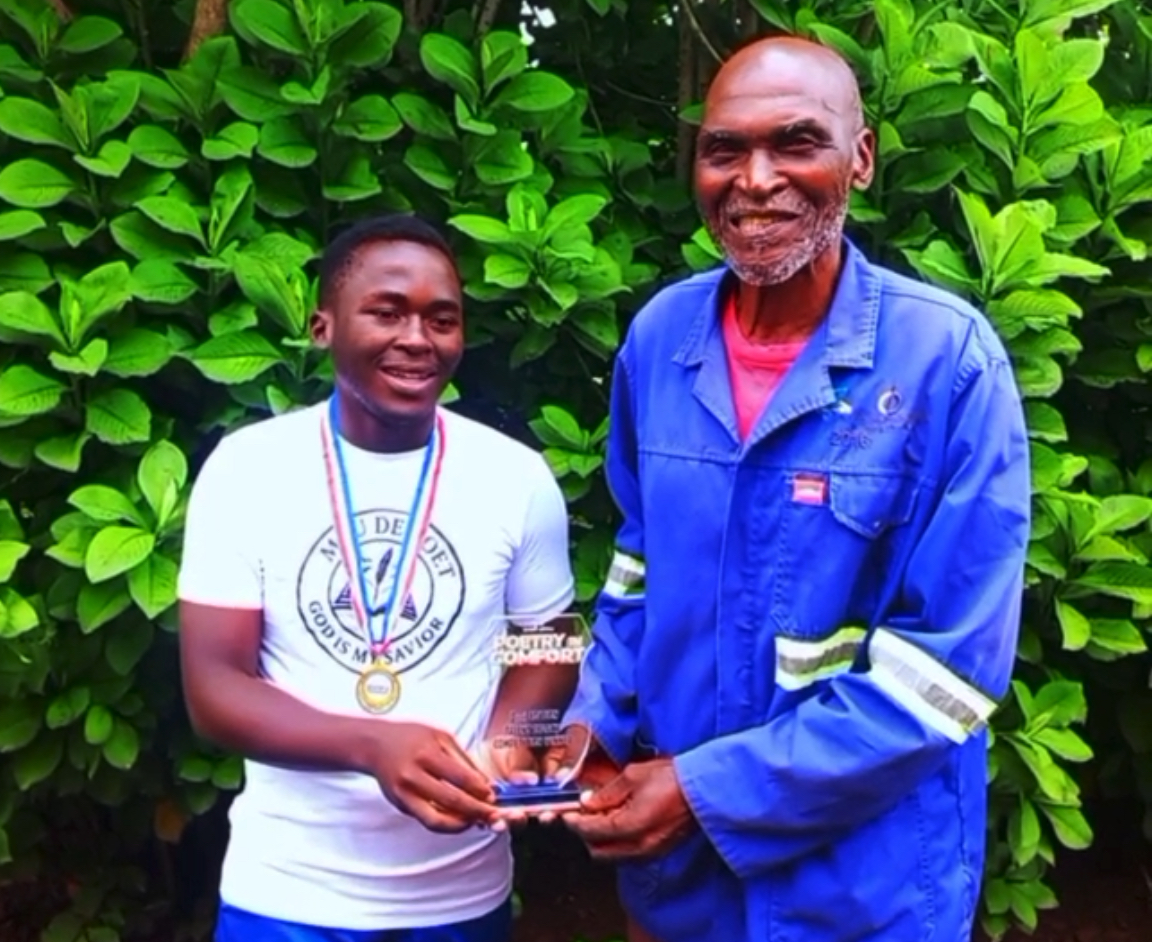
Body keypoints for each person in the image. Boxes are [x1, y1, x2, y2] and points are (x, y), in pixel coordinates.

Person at [555, 34, 1033, 942]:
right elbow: (638, 564)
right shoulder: (661, 339)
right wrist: (588, 732)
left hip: (867, 889)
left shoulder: (946, 362)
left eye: (796, 142)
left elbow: (947, 672)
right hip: (679, 889)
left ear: (861, 159)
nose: (755, 178)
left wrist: (703, 794)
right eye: (723, 149)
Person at [175, 214, 576, 942]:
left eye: (441, 319)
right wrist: (372, 745)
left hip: (462, 894)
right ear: (324, 325)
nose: (417, 339)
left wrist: (504, 748)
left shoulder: (515, 477)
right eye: (387, 312)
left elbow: (546, 643)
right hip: (288, 895)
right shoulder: (248, 469)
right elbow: (214, 690)